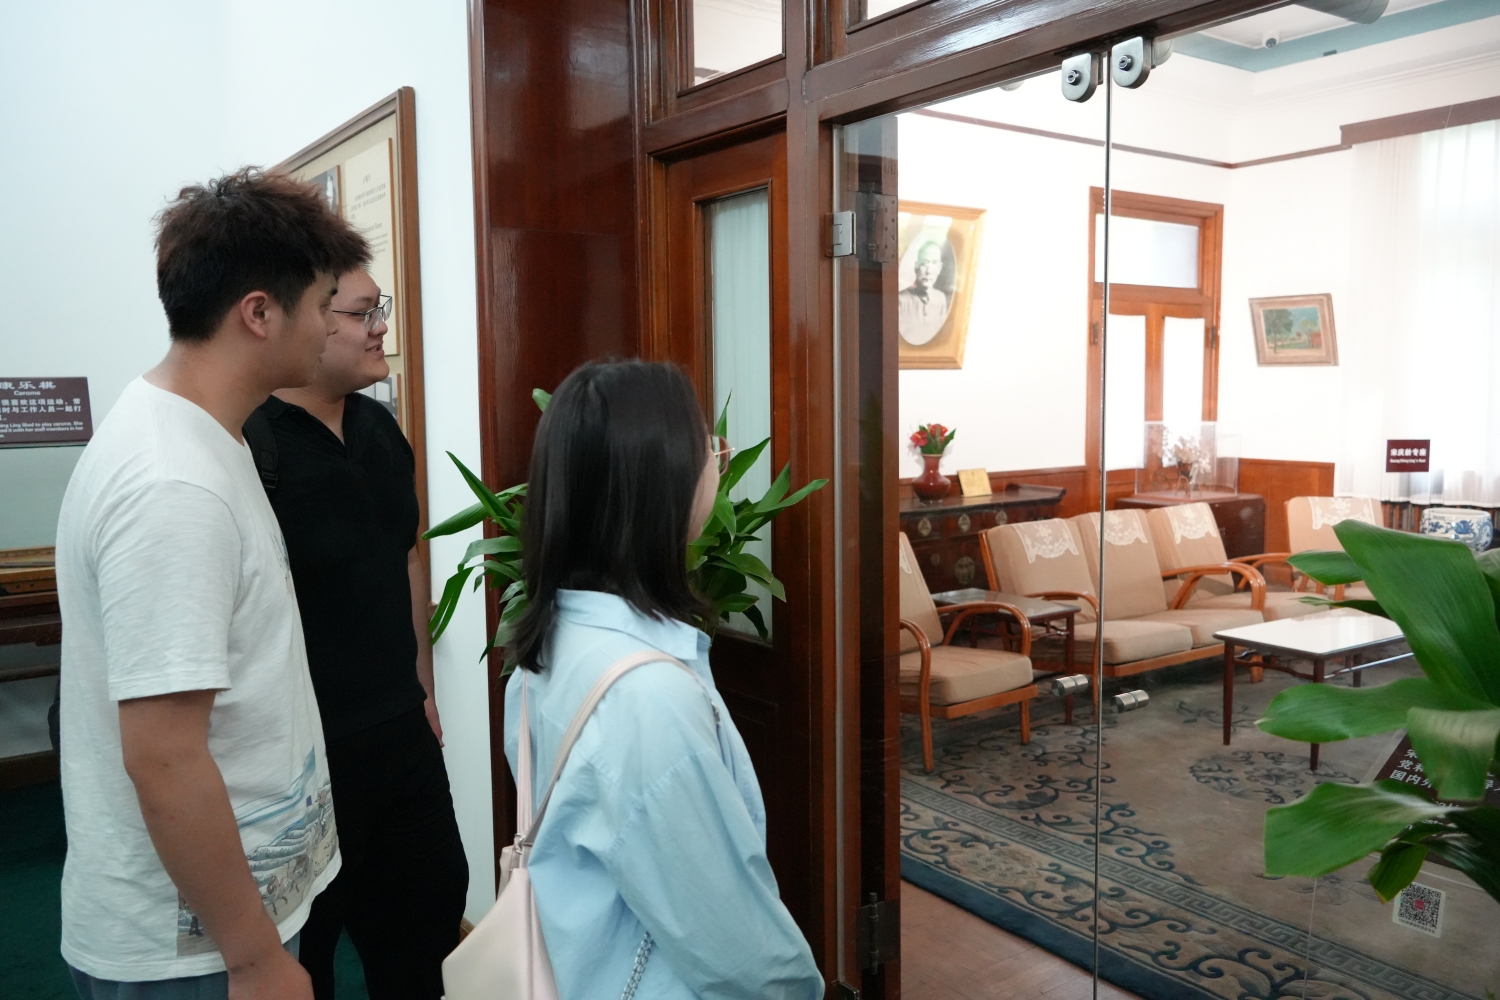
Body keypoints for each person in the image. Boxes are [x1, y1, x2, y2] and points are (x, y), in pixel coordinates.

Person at [54, 169, 369, 1000]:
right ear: (259, 313)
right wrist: (255, 957)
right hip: (193, 952)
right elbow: (163, 755)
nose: (329, 325)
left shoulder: (202, 434)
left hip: (227, 915)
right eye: (323, 303)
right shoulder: (173, 485)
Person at [503, 359, 824, 1000]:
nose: (717, 462)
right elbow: (736, 946)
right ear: (663, 484)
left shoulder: (552, 640)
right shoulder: (646, 700)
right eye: (707, 446)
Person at [244, 267, 467, 999]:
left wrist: (423, 688)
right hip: (306, 758)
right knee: (305, 955)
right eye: (364, 312)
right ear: (306, 316)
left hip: (402, 737)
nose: (381, 328)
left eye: (382, 309)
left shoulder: (379, 428)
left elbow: (407, 553)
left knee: (427, 934)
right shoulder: (250, 445)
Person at [898, 240, 951, 346]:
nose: (929, 271)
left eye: (934, 263)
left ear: (939, 268)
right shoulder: (900, 299)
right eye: (924, 263)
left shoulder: (940, 298)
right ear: (916, 267)